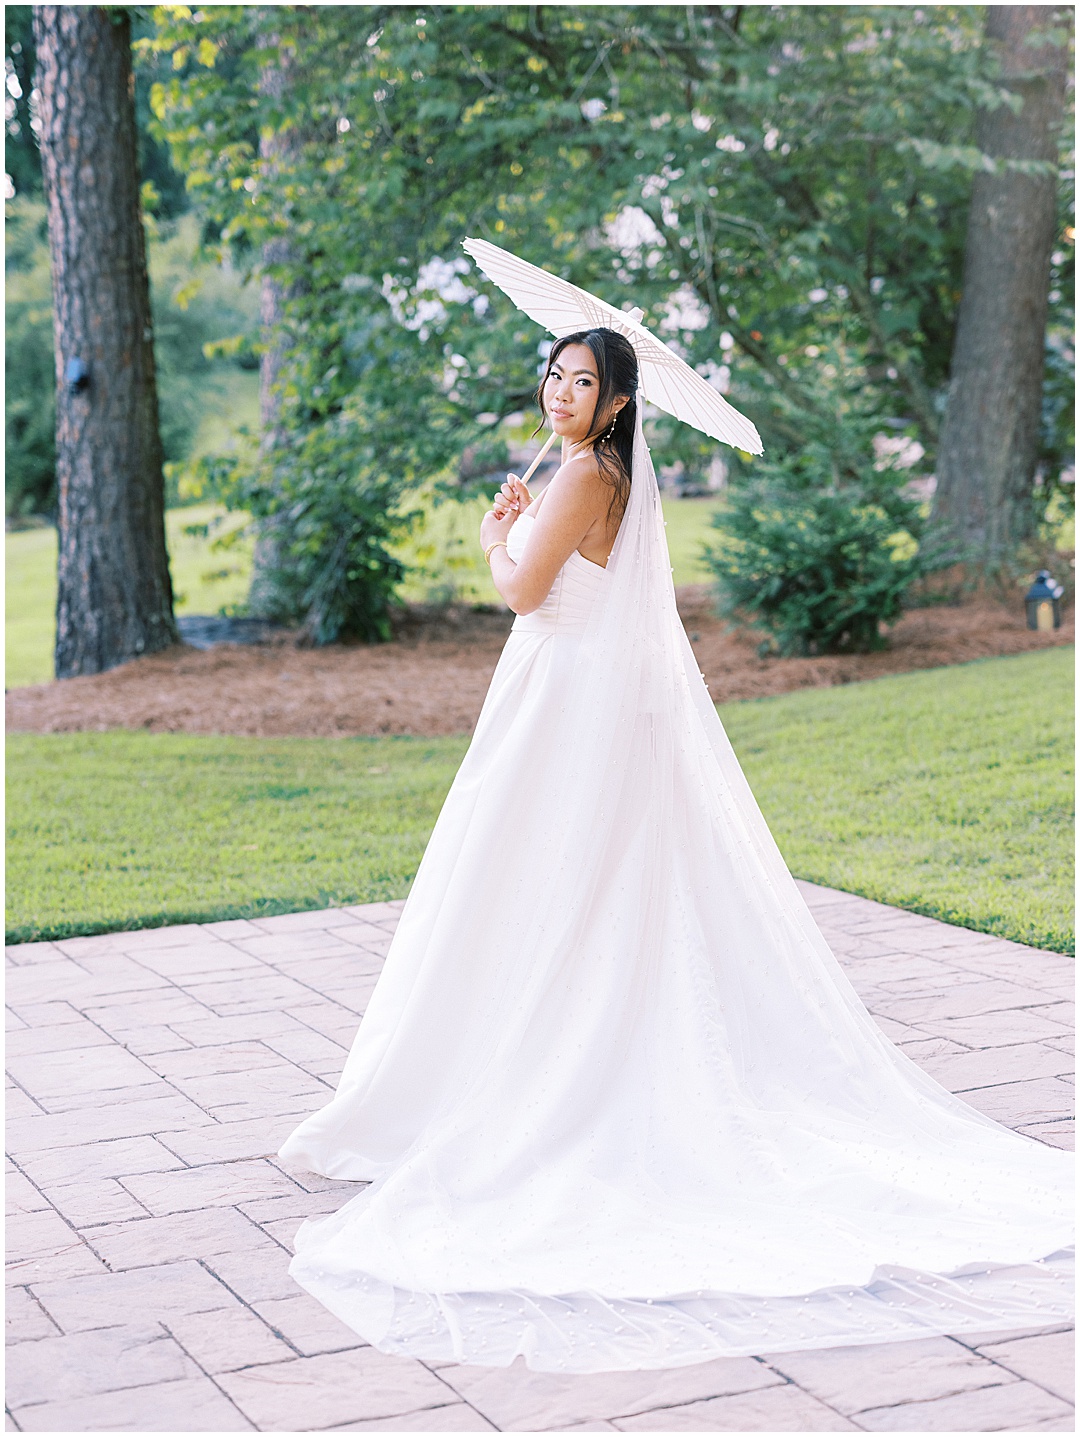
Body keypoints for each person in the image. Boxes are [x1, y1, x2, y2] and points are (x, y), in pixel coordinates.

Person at [278, 327, 1072, 1374]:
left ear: (615, 404)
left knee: (528, 885)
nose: (562, 392)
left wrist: (493, 538)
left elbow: (523, 595)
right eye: (554, 375)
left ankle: (522, 1085)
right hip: (575, 691)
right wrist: (526, 527)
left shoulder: (584, 474)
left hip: (561, 697)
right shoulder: (599, 472)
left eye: (583, 382)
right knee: (556, 885)